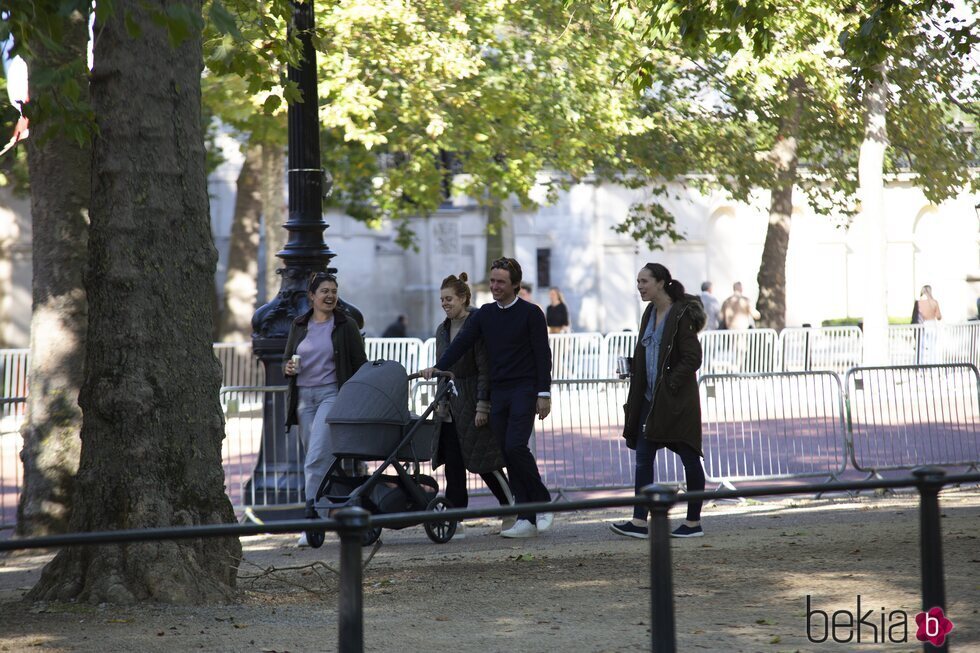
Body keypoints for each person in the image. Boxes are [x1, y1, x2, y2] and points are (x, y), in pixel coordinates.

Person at [422, 257, 553, 539]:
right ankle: (531, 511)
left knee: (516, 446)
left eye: (500, 282)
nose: (494, 286)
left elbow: (543, 356)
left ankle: (536, 506)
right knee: (507, 452)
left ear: (515, 284)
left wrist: (544, 393)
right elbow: (461, 344)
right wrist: (439, 367)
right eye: (492, 280)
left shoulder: (531, 314)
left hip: (524, 389)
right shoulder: (484, 315)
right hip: (499, 391)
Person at [611, 263, 707, 539]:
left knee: (689, 456)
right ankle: (639, 521)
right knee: (643, 459)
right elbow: (648, 351)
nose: (639, 286)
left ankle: (693, 522)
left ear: (661, 282)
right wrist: (634, 367)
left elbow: (692, 357)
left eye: (644, 281)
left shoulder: (680, 315)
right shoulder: (649, 312)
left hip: (676, 402)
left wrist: (670, 383)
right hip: (648, 401)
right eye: (637, 281)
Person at [284, 272, 367, 546]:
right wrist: (288, 368)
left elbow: (360, 364)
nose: (330, 295)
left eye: (333, 290)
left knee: (315, 459)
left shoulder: (346, 325)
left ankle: (311, 523)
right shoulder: (299, 324)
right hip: (304, 399)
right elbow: (287, 360)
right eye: (324, 291)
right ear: (312, 296)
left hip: (332, 395)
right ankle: (335, 509)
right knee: (317, 460)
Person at [432, 272, 515, 535]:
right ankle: (455, 517)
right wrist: (441, 402)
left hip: (472, 396)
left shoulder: (477, 324)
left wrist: (482, 405)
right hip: (452, 401)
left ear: (464, 298)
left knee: (485, 461)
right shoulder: (442, 330)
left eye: (449, 299)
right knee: (453, 463)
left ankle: (510, 507)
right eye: (442, 299)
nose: (445, 304)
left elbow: (484, 368)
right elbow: (442, 369)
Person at [912, 285, 943, 363]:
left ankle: (920, 365)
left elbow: (917, 315)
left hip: (922, 324)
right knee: (932, 347)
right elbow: (939, 316)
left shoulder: (919, 303)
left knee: (921, 347)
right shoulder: (934, 302)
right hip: (932, 324)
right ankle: (932, 365)